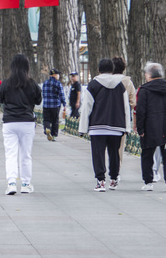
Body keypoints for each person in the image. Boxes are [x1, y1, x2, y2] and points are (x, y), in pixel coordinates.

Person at [78, 58, 131, 192]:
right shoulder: (120, 86)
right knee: (114, 153)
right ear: (112, 70)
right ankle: (113, 179)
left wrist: (82, 128)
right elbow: (126, 107)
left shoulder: (93, 85)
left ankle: (101, 181)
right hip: (116, 126)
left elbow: (86, 107)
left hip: (97, 126)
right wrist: (127, 127)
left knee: (98, 153)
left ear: (98, 69)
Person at [135, 62, 166, 193]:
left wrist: (140, 128)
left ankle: (148, 182)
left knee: (147, 154)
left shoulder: (144, 90)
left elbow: (141, 110)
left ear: (149, 75)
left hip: (151, 127)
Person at [0, 54, 43, 195]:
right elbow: (38, 100)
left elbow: (0, 98)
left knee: (10, 154)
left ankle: (11, 183)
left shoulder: (6, 83)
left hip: (10, 122)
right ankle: (25, 184)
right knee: (26, 154)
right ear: (27, 67)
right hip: (27, 122)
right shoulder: (32, 83)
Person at [112, 56, 137, 165]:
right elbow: (133, 101)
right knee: (120, 146)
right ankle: (116, 170)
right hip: (122, 118)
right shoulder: (128, 82)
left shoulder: (107, 80)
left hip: (107, 117)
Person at [41, 69, 67, 142]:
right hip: (55, 105)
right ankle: (54, 135)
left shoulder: (45, 83)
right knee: (55, 120)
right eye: (58, 74)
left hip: (46, 105)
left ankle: (47, 128)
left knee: (46, 119)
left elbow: (43, 94)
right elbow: (61, 95)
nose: (59, 76)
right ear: (54, 75)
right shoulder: (58, 83)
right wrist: (64, 104)